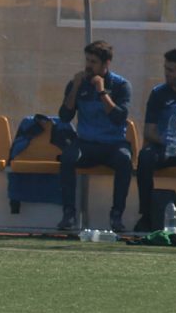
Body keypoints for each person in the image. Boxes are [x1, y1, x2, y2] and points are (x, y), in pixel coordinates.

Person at [57, 40, 133, 232]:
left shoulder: (121, 85)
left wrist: (101, 91)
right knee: (67, 157)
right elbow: (65, 116)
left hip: (113, 145)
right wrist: (74, 87)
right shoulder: (77, 83)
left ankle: (116, 215)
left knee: (125, 160)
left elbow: (119, 118)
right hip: (86, 144)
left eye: (94, 62)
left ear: (106, 64)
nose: (89, 65)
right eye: (87, 60)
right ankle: (69, 214)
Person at [135, 48, 176, 231]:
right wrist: (165, 140)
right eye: (165, 68)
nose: (166, 73)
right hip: (165, 146)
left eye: (171, 70)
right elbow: (149, 131)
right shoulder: (159, 94)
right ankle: (147, 215)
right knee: (145, 157)